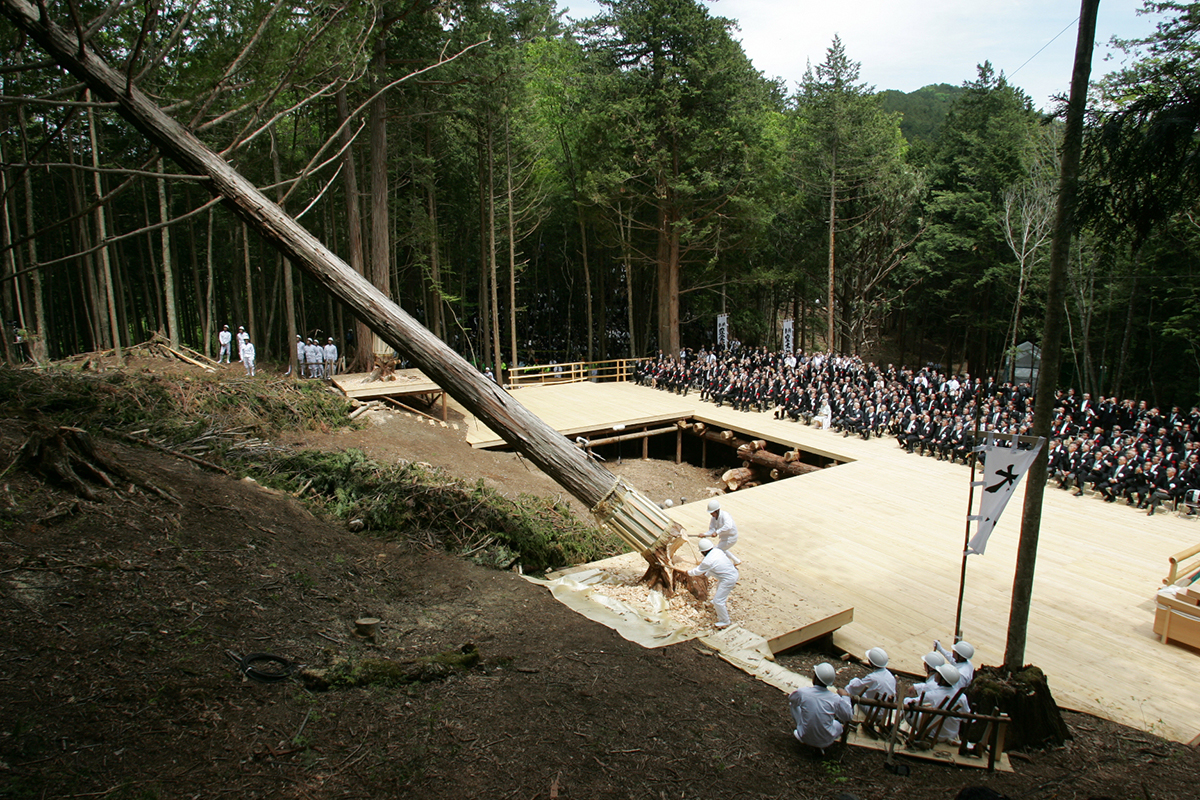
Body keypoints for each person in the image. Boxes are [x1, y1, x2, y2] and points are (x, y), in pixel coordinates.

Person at [789, 662, 854, 752]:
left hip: (804, 736)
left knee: (793, 705)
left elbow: (792, 699)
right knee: (838, 725)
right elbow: (848, 716)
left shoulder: (803, 692)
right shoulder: (835, 699)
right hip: (826, 741)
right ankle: (820, 743)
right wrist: (845, 696)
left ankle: (802, 728)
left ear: (815, 678)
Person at [905, 663, 970, 744]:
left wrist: (907, 700)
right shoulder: (962, 697)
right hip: (952, 735)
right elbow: (967, 719)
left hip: (935, 734)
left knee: (907, 705)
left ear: (943, 680)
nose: (935, 674)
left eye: (938, 673)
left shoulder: (934, 694)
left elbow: (912, 702)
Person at [687, 538, 738, 629]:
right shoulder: (717, 551)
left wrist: (688, 572)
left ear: (703, 552)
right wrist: (706, 575)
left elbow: (697, 571)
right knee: (719, 588)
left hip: (728, 579)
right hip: (732, 573)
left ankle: (725, 621)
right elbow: (714, 567)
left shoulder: (707, 561)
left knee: (719, 601)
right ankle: (716, 603)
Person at [702, 498, 742, 565]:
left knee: (716, 550)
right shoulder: (713, 518)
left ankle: (727, 563)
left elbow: (728, 526)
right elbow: (712, 529)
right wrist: (704, 534)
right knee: (722, 549)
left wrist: (717, 532)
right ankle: (736, 561)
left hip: (731, 537)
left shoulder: (725, 515)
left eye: (712, 512)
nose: (711, 514)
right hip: (724, 538)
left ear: (717, 511)